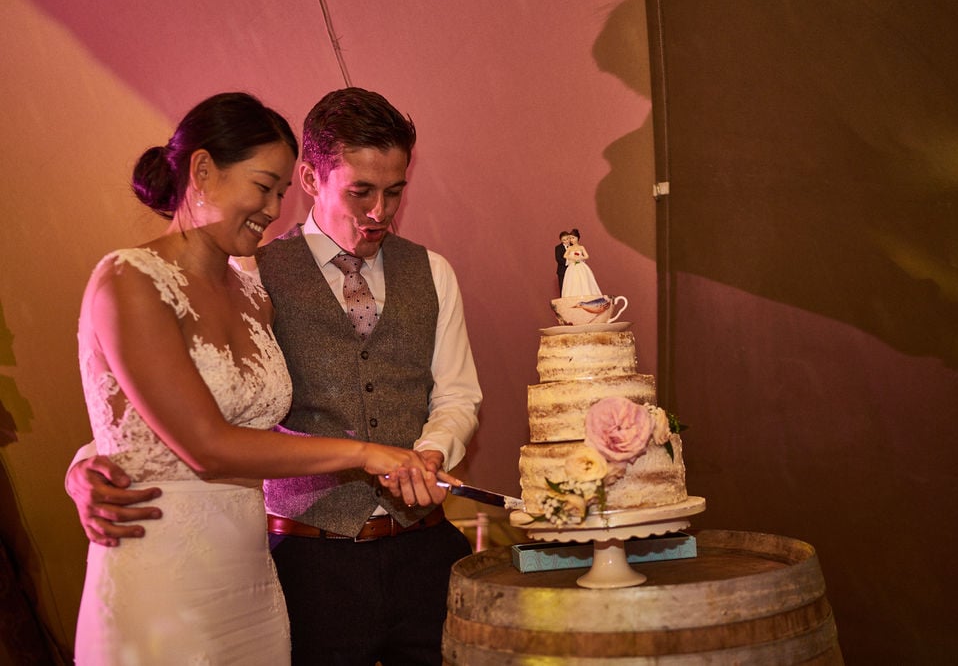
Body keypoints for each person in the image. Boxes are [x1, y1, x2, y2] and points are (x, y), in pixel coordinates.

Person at [67, 87, 482, 665]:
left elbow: (457, 394)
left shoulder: (424, 272)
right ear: (314, 178)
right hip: (301, 557)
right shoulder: (251, 272)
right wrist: (89, 463)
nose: (379, 211)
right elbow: (168, 410)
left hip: (400, 549)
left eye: (394, 192)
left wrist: (431, 452)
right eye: (361, 190)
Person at [561, 229, 601, 297]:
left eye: (573, 238)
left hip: (580, 265)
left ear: (577, 238)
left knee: (583, 280)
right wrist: (572, 258)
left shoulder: (581, 247)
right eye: (570, 238)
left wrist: (580, 257)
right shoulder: (570, 248)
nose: (571, 240)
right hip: (572, 267)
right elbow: (565, 255)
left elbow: (587, 256)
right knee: (573, 282)